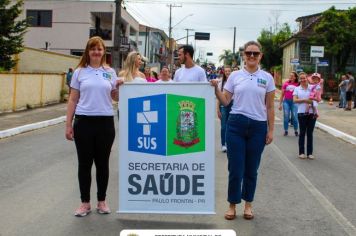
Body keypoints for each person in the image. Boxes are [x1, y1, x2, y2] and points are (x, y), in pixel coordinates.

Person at [211, 41, 275, 221]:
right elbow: (225, 101)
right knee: (235, 168)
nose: (252, 56)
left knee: (251, 169)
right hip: (236, 125)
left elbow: (270, 107)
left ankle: (248, 205)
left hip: (258, 126)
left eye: (255, 53)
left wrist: (271, 130)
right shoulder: (235, 76)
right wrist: (216, 88)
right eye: (249, 53)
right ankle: (232, 205)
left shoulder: (267, 78)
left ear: (260, 55)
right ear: (243, 55)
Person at [65, 36, 119, 217]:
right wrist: (68, 124)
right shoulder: (79, 72)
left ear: (104, 52)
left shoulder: (110, 72)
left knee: (102, 164)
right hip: (84, 122)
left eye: (100, 49)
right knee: (84, 165)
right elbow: (73, 99)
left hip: (105, 123)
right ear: (88, 51)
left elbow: (115, 97)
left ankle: (102, 201)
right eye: (93, 48)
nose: (96, 52)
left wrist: (119, 87)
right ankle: (85, 203)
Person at [293, 72, 321, 160]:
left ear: (307, 78)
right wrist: (305, 100)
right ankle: (301, 152)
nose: (302, 80)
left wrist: (313, 100)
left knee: (310, 133)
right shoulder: (297, 89)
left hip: (312, 113)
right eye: (301, 78)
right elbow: (295, 100)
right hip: (301, 113)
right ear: (299, 80)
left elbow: (317, 99)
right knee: (302, 133)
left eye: (304, 78)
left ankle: (310, 153)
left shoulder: (312, 87)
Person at [216, 66, 232, 152]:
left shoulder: (235, 82)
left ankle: (229, 143)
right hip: (223, 106)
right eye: (226, 71)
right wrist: (217, 109)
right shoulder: (220, 83)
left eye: (229, 71)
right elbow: (218, 97)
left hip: (232, 105)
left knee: (231, 126)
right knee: (223, 126)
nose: (228, 72)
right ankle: (223, 144)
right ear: (224, 72)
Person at [278, 71, 299, 136]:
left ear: (295, 77)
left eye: (292, 76)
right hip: (286, 101)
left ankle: (296, 130)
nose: (291, 77)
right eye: (290, 76)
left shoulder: (298, 84)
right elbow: (282, 94)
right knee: (286, 116)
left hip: (294, 102)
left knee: (295, 116)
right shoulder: (286, 84)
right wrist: (280, 104)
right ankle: (286, 130)